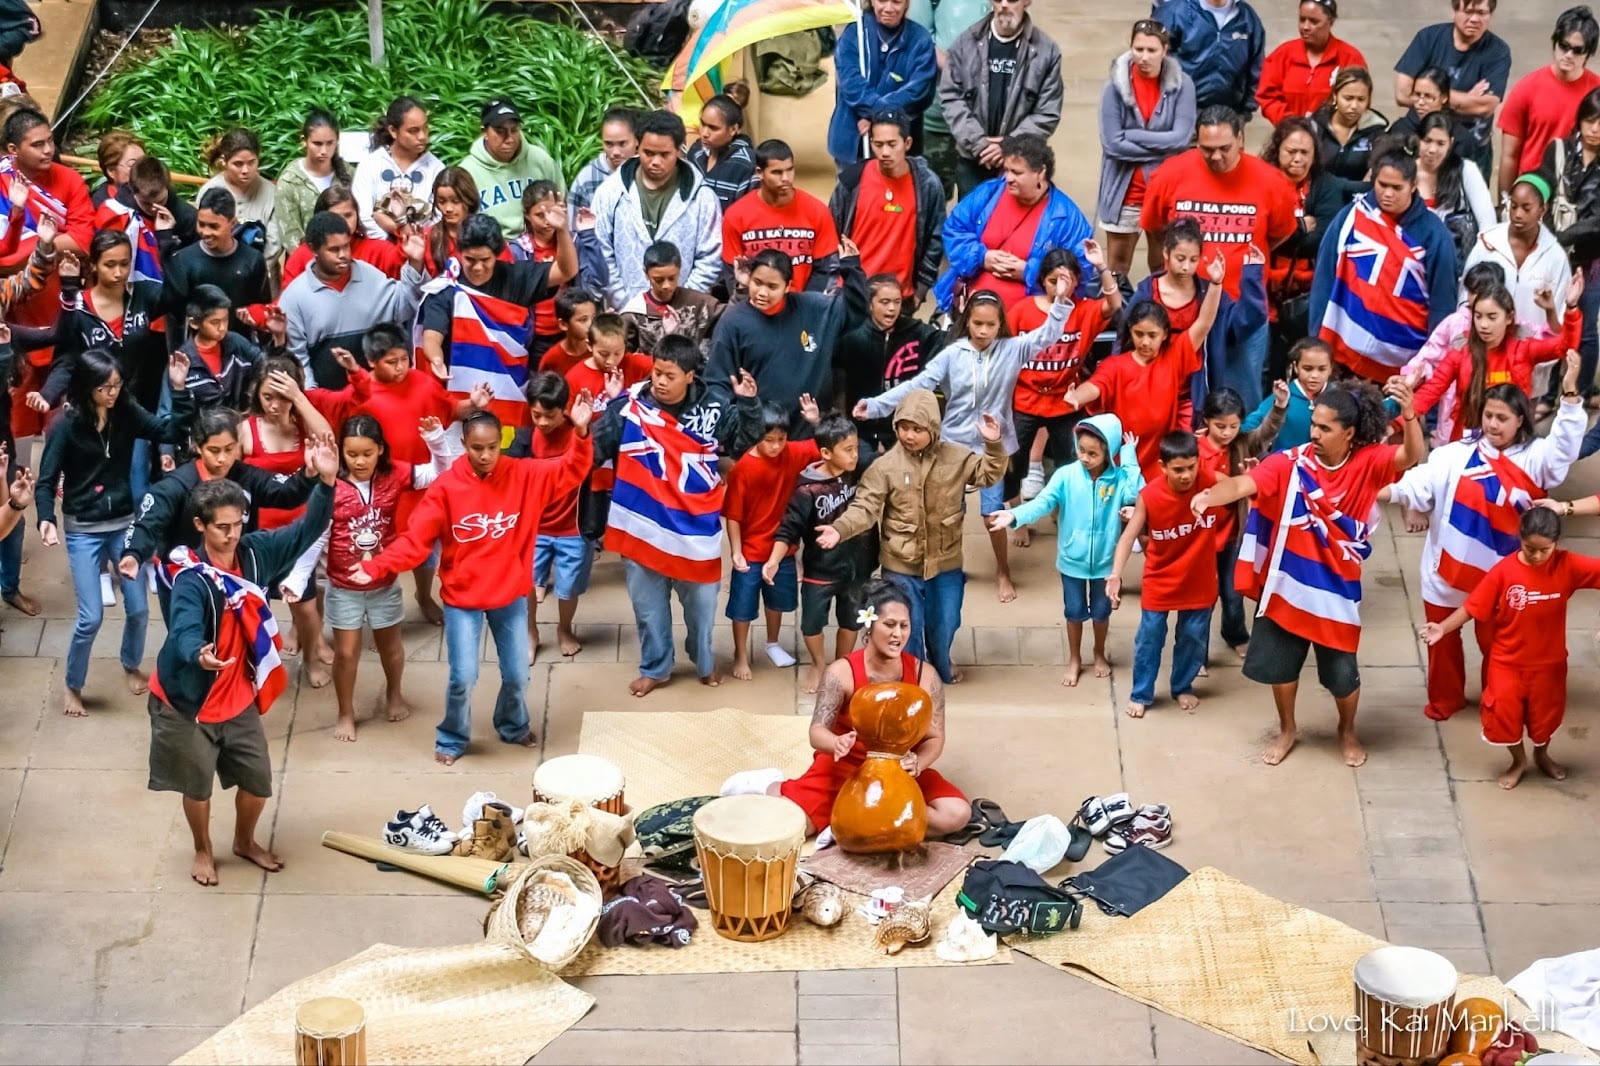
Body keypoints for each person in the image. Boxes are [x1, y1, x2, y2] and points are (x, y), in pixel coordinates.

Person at [1190, 380, 1425, 768]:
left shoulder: (1369, 462)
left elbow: (1409, 456)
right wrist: (1209, 495)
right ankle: (1287, 730)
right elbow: (1245, 483)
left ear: (1349, 433)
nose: (1313, 433)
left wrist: (1412, 414)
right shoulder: (1290, 462)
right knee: (1282, 668)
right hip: (1288, 585)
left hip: (1336, 591)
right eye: (1314, 424)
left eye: (1325, 428)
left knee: (1343, 676)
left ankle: (1346, 731)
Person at [348, 406, 593, 763]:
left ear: (501, 443)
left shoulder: (523, 474)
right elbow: (415, 539)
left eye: (493, 447)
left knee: (517, 675)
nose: (486, 455)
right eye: (477, 448)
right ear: (463, 444)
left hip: (509, 596)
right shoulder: (446, 488)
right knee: (462, 677)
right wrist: (378, 566)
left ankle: (513, 725)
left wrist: (582, 434)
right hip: (462, 599)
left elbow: (572, 469)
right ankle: (451, 739)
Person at [146, 437, 337, 886]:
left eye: (238, 524)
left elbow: (306, 530)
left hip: (237, 697)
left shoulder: (255, 553)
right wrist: (199, 653)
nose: (232, 535)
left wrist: (326, 483)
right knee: (197, 787)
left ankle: (244, 841)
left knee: (258, 781)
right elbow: (183, 630)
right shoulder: (191, 578)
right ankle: (202, 849)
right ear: (200, 526)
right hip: (187, 701)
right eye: (222, 528)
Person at [858, 272, 1072, 602]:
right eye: (977, 324)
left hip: (992, 447)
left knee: (991, 514)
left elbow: (1047, 335)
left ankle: (1003, 570)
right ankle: (948, 567)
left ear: (1000, 324)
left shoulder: (1012, 349)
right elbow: (918, 385)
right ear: (967, 322)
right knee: (946, 511)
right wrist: (874, 406)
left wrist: (1060, 302)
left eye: (990, 325)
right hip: (952, 446)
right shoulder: (953, 354)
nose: (983, 331)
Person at [1389, 368, 1584, 724]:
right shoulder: (1453, 455)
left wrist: (1569, 396)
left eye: (1502, 418)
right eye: (1488, 416)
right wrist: (1377, 489)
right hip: (1445, 571)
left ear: (1520, 420)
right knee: (1442, 642)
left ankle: (1498, 701)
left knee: (1499, 647)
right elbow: (1417, 483)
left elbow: (1564, 451)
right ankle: (1444, 700)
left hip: (1503, 576)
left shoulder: (1537, 458)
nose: (1493, 424)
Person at [589, 335, 765, 696]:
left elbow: (744, 444)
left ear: (690, 375)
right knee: (649, 613)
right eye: (656, 373)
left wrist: (748, 405)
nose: (660, 382)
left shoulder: (715, 405)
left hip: (695, 534)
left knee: (702, 610)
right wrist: (591, 419)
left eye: (670, 375)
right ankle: (656, 667)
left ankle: (703, 661)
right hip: (644, 529)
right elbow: (594, 449)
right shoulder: (628, 407)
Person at [37, 347, 194, 717]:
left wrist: (180, 389)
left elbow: (168, 428)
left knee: (139, 609)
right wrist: (46, 518)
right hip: (83, 529)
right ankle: (73, 686)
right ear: (87, 388)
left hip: (123, 522)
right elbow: (45, 481)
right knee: (90, 617)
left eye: (117, 385)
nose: (113, 393)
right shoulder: (66, 424)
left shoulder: (126, 411)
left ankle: (130, 663)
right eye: (106, 387)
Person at [748, 578, 970, 840]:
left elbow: (935, 736)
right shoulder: (841, 673)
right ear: (869, 624)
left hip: (898, 773)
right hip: (845, 769)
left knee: (955, 814)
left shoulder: (926, 675)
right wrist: (836, 743)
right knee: (790, 827)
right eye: (889, 625)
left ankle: (859, 821)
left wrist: (918, 763)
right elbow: (817, 732)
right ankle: (769, 786)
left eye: (904, 625)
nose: (898, 634)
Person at [818, 392, 1008, 684]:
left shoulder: (956, 458)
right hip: (901, 565)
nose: (909, 435)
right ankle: (914, 679)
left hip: (945, 563)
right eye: (904, 427)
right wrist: (840, 528)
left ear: (933, 428)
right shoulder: (884, 468)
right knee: (907, 627)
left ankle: (941, 664)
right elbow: (865, 507)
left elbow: (989, 475)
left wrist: (993, 444)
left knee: (946, 622)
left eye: (917, 429)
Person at [1421, 506, 1600, 789]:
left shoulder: (1569, 566)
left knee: (1546, 718)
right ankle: (1518, 761)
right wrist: (1443, 628)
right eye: (1531, 548)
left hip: (1550, 665)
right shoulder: (1503, 572)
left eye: (1545, 550)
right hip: (1507, 664)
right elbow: (1471, 606)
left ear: (1557, 543)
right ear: (1520, 538)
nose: (1538, 556)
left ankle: (1542, 755)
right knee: (1503, 717)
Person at [1140, 106, 1298, 406]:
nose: (1215, 157)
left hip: (1242, 307)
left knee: (1241, 398)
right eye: (1207, 149)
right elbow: (1155, 230)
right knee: (1177, 396)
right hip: (1182, 307)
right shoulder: (1170, 175)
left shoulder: (1271, 182)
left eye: (1224, 149)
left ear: (1241, 139)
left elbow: (1279, 233)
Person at [323, 413, 460, 741]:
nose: (359, 461)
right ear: (341, 451)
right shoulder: (330, 483)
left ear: (381, 450)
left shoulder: (397, 473)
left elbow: (442, 472)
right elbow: (316, 533)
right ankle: (345, 712)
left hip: (384, 579)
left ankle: (394, 693)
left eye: (367, 454)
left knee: (392, 647)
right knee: (346, 652)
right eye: (351, 454)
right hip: (343, 583)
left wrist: (436, 441)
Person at [119, 408, 319, 623]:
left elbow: (286, 492)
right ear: (198, 446)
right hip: (189, 581)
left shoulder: (247, 476)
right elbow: (148, 522)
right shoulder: (175, 486)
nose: (222, 459)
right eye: (214, 450)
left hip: (239, 577)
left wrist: (309, 472)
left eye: (229, 449)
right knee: (192, 646)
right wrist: (134, 554)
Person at [991, 413, 1142, 686]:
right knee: (1073, 612)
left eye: (1093, 453)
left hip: (1106, 563)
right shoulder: (1066, 476)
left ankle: (1098, 653)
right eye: (1081, 450)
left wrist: (1129, 458)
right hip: (1072, 560)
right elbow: (1043, 502)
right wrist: (1015, 516)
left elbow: (1135, 493)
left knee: (1101, 613)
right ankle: (1074, 658)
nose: (1085, 457)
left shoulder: (1120, 478)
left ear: (1110, 451)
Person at [1310, 149, 1459, 383]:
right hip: (1343, 354)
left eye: (1396, 188)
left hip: (1402, 365)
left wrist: (1430, 367)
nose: (1387, 194)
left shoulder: (1435, 235)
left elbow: (1442, 307)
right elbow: (1324, 277)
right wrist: (1316, 341)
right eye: (1382, 185)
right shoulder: (1351, 216)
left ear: (1413, 185)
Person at [1074, 257, 1229, 478]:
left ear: (1165, 334)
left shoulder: (1175, 355)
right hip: (1122, 461)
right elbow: (1096, 386)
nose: (1145, 342)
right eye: (1139, 334)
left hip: (1159, 461)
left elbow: (1203, 324)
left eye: (1152, 335)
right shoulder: (1116, 365)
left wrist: (1215, 284)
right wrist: (1076, 397)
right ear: (1131, 332)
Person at [416, 213, 576, 423]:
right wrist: (436, 359)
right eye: (470, 260)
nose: (478, 267)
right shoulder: (447, 287)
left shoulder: (516, 277)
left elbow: (566, 270)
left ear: (497, 255)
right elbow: (432, 336)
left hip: (512, 388)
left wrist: (562, 230)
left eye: (485, 260)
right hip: (460, 397)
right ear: (459, 253)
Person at [239, 357, 336, 683]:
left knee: (306, 608)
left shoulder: (303, 425)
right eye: (268, 396)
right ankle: (252, 664)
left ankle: (311, 658)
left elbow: (328, 438)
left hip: (300, 535)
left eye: (282, 397)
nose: (274, 405)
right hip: (259, 536)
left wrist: (298, 397)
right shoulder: (247, 429)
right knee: (252, 606)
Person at [1107, 431, 1216, 717]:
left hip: (1199, 578)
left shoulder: (1212, 484)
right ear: (1163, 466)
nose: (1186, 475)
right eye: (1178, 469)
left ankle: (1182, 686)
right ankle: (1141, 693)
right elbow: (1129, 536)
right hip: (1160, 579)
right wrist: (1115, 575)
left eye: (1191, 467)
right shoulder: (1150, 496)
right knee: (1149, 638)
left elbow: (1245, 488)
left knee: (1193, 637)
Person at [706, 245, 864, 437]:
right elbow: (716, 384)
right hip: (757, 441)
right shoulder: (732, 322)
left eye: (772, 287)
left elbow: (855, 310)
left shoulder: (814, 308)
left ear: (788, 286)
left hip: (808, 435)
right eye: (757, 282)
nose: (762, 292)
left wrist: (851, 267)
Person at [769, 412, 876, 694]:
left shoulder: (860, 469)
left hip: (859, 566)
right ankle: (819, 664)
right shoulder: (807, 489)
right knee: (812, 623)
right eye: (848, 450)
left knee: (852, 619)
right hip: (821, 570)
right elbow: (787, 529)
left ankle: (842, 666)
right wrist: (774, 560)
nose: (855, 455)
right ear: (827, 453)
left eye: (856, 447)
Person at [1007, 247, 1122, 503]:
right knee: (1011, 462)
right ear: (1042, 280)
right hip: (1025, 400)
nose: (1060, 288)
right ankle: (1016, 515)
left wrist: (1102, 266)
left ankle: (1063, 510)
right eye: (1053, 281)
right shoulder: (1022, 311)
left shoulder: (1084, 310)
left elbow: (1114, 304)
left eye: (1067, 281)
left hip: (1065, 401)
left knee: (1072, 463)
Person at [933, 133, 1093, 313]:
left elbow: (1080, 271)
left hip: (1031, 322)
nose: (1008, 178)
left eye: (1017, 172)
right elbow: (953, 229)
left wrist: (1030, 272)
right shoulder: (989, 193)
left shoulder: (1067, 217)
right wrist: (982, 257)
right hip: (973, 312)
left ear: (1041, 173)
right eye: (1006, 170)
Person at [1123, 221, 1265, 418]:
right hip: (1147, 387)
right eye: (1180, 258)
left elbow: (1244, 323)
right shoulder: (1147, 291)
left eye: (1193, 260)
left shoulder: (1210, 293)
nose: (1185, 267)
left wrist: (1252, 276)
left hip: (1193, 392)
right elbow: (1123, 341)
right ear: (1166, 253)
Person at [1260, 117, 1366, 377]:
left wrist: (1280, 234)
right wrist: (1298, 226)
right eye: (1291, 151)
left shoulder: (1325, 184)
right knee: (1266, 368)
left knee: (1306, 368)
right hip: (1263, 293)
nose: (1298, 159)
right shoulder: (1261, 179)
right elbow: (1258, 233)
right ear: (1277, 150)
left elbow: (1318, 241)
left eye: (1304, 152)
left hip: (1306, 296)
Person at [726, 399, 822, 679]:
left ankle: (772, 643)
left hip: (783, 548)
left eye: (781, 439)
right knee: (742, 607)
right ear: (758, 437)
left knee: (778, 602)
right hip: (751, 549)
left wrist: (815, 421)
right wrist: (736, 551)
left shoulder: (792, 452)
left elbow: (823, 445)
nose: (776, 446)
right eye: (769, 440)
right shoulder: (743, 468)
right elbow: (733, 515)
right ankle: (741, 654)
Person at [592, 109, 723, 311]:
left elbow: (710, 258)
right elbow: (600, 251)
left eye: (664, 155)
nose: (655, 162)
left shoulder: (703, 198)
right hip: (624, 314)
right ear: (637, 145)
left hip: (683, 317)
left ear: (679, 150)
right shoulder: (610, 192)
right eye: (648, 153)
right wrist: (627, 304)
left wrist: (683, 304)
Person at [279, 212, 427, 390]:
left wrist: (415, 263)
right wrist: (315, 402)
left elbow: (404, 306)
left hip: (376, 395)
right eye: (334, 250)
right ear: (313, 250)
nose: (343, 255)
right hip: (328, 402)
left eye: (346, 246)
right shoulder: (294, 297)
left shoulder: (369, 275)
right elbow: (298, 360)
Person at [1096, 18, 1197, 278]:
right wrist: (1163, 147)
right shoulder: (1114, 87)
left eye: (1151, 50)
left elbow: (1182, 138)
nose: (1144, 57)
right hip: (1124, 192)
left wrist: (1133, 135)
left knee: (1163, 266)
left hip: (1164, 191)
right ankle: (1116, 318)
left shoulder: (1183, 85)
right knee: (1116, 268)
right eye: (1138, 49)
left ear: (1165, 50)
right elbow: (1112, 144)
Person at [1411, 284, 1578, 439]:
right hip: (1468, 440)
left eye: (1492, 317)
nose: (1483, 325)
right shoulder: (1460, 353)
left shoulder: (1524, 349)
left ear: (1509, 317)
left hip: (1512, 442)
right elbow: (1431, 390)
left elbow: (1565, 347)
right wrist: (1399, 418)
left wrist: (1571, 308)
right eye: (1478, 316)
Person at [508, 372, 595, 659]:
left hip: (573, 528)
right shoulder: (524, 440)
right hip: (534, 528)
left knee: (569, 589)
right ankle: (530, 633)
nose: (542, 422)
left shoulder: (579, 433)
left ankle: (564, 628)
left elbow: (594, 459)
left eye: (550, 415)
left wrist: (582, 430)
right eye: (536, 415)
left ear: (564, 409)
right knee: (526, 585)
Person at [939, 0, 1064, 196]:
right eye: (998, 0)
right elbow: (951, 98)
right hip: (973, 160)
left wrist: (1009, 145)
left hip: (1022, 164)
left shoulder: (1047, 52)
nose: (1004, 5)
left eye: (1012, 0)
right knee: (975, 224)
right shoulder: (965, 44)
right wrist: (980, 143)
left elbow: (1047, 113)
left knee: (1017, 224)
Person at [1197, 384, 1286, 658]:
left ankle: (1235, 634)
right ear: (1206, 422)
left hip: (1234, 535)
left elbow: (1265, 432)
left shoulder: (1242, 443)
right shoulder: (1192, 450)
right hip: (1202, 539)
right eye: (1220, 426)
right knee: (1202, 599)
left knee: (1233, 593)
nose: (1227, 433)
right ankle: (1196, 653)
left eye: (1233, 426)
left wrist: (1279, 406)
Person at [1462, 176, 1575, 388]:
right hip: (1483, 354)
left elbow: (1559, 319)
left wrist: (1542, 356)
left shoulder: (1555, 256)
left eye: (1526, 208)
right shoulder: (1488, 244)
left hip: (1527, 359)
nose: (1517, 214)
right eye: (1513, 206)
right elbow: (1465, 296)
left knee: (1521, 414)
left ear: (1543, 209)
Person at [830, 109, 947, 305]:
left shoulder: (927, 185)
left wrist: (920, 290)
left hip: (900, 299)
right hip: (853, 294)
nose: (885, 152)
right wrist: (834, 282)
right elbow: (830, 231)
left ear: (907, 143)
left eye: (892, 144)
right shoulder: (852, 180)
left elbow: (935, 239)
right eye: (878, 144)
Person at [1394, 0, 1511, 180]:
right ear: (1455, 11)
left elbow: (1485, 107)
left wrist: (1432, 96)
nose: (1474, 19)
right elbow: (1402, 93)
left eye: (1481, 13)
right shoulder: (1428, 38)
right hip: (1426, 145)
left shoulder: (1498, 52)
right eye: (1468, 12)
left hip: (1474, 148)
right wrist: (1465, 100)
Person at [835, 273, 945, 465]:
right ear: (870, 304)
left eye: (897, 302)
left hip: (905, 430)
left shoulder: (918, 333)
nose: (892, 308)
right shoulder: (853, 339)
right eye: (884, 302)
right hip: (862, 431)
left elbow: (949, 341)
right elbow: (841, 389)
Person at [1497, 7, 1600, 200]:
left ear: (1588, 53)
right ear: (1555, 42)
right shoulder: (1527, 88)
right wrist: (1505, 202)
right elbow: (1509, 156)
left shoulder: (1596, 92)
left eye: (1577, 50)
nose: (1568, 54)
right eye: (1563, 45)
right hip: (1533, 191)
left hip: (1582, 193)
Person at [1540, 86, 1600, 400]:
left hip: (1591, 260)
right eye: (1591, 119)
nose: (1595, 128)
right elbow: (1543, 189)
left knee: (1586, 330)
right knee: (1551, 323)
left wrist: (1562, 238)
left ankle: (1581, 391)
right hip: (1553, 253)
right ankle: (1547, 394)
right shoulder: (1559, 150)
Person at [828, 0, 937, 169]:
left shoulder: (920, 40)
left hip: (902, 150)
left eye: (896, 2)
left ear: (907, 3)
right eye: (882, 0)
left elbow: (918, 91)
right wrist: (881, 113)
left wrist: (878, 118)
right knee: (854, 195)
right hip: (854, 143)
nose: (888, 8)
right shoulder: (854, 33)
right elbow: (851, 84)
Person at [722, 140, 840, 292]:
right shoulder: (736, 215)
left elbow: (825, 269)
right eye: (777, 172)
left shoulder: (818, 211)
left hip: (804, 306)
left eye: (790, 170)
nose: (786, 178)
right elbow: (733, 271)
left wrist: (806, 306)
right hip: (756, 305)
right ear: (759, 173)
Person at [162, 187, 271, 343]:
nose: (205, 232)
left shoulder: (253, 260)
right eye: (201, 224)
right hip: (198, 353)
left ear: (232, 223)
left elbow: (261, 310)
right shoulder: (184, 260)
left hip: (240, 351)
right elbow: (174, 318)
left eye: (214, 226)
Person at [459, 98, 564, 238]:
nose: (509, 139)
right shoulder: (467, 172)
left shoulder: (540, 160)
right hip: (493, 250)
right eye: (500, 132)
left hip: (543, 244)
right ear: (484, 132)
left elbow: (563, 205)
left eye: (514, 130)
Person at [171, 285, 286, 412]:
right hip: (205, 430)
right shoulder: (182, 363)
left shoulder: (237, 344)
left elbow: (268, 367)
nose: (222, 327)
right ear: (194, 323)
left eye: (225, 320)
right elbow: (169, 415)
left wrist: (278, 336)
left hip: (241, 425)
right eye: (215, 322)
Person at [1256, 0, 1367, 126]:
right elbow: (1267, 96)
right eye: (1302, 19)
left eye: (1314, 21)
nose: (1305, 27)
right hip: (1289, 135)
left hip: (1334, 138)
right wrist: (1291, 124)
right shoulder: (1282, 55)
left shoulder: (1350, 59)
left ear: (1331, 21)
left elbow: (1359, 101)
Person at [1150, 0, 1266, 117]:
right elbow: (1153, 60)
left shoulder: (1247, 18)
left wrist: (1246, 110)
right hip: (1181, 111)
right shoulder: (1174, 13)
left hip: (1229, 113)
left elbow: (1257, 67)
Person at [96, 155, 200, 284]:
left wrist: (166, 236)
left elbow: (188, 270)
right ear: (133, 192)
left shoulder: (187, 218)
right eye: (146, 204)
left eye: (160, 202)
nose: (153, 209)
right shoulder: (115, 211)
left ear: (167, 187)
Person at [352, 96, 445, 239]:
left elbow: (439, 218)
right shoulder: (371, 165)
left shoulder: (436, 168)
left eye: (425, 128)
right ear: (393, 131)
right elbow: (363, 215)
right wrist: (389, 243)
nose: (422, 136)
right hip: (379, 252)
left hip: (423, 249)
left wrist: (414, 240)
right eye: (413, 131)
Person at [1413, 111, 1496, 265]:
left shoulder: (1466, 171)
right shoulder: (1406, 172)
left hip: (1459, 266)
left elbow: (1488, 226)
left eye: (1440, 143)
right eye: (1427, 141)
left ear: (1450, 143)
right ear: (1418, 140)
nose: (1432, 149)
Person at [619, 241, 724, 356]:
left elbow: (733, 316)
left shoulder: (698, 303)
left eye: (672, 278)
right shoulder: (634, 313)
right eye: (658, 280)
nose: (666, 286)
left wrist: (741, 288)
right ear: (646, 274)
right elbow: (624, 356)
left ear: (679, 271)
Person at [275, 111, 351, 261]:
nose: (324, 151)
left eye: (330, 143)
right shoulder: (290, 181)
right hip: (306, 264)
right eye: (317, 144)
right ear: (304, 141)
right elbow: (290, 235)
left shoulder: (350, 175)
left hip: (347, 258)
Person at [194, 128, 277, 263]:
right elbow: (203, 235)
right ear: (225, 161)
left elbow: (274, 244)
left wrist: (254, 270)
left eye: (251, 162)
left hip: (262, 273)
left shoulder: (271, 193)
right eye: (238, 164)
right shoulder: (209, 190)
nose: (245, 170)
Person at [1244, 336, 1332, 453]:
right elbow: (1251, 424)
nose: (1314, 375)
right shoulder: (1282, 397)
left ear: (1331, 368)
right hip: (1285, 466)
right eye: (1308, 369)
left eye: (1321, 369)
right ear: (1295, 367)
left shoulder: (1337, 397)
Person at [514, 181, 569, 358]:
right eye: (540, 215)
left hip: (569, 331)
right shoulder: (519, 250)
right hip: (534, 337)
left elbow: (593, 281)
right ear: (527, 215)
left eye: (552, 213)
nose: (548, 221)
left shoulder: (573, 242)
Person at [1313, 67, 1386, 183]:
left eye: (1361, 99)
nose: (1354, 106)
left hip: (1359, 196)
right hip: (1318, 197)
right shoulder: (1314, 127)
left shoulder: (1377, 133)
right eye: (1348, 98)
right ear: (1335, 96)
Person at [685, 95, 759, 210]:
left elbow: (749, 214)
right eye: (703, 124)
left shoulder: (745, 164)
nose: (704, 133)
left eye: (713, 128)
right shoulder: (695, 153)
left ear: (733, 130)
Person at [569, 107, 638, 219]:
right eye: (609, 144)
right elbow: (574, 231)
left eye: (622, 144)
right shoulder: (586, 179)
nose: (615, 152)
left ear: (636, 140)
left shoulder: (648, 173)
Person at [421, 167, 487, 277]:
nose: (448, 208)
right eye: (442, 201)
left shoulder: (488, 234)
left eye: (455, 201)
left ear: (469, 199)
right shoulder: (428, 237)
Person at [1384, 65, 1452, 146]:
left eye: (1428, 96)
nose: (1421, 102)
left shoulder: (1458, 134)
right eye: (1417, 94)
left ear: (1444, 97)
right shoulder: (1399, 130)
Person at [539, 288, 600, 376]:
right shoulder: (552, 359)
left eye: (593, 318)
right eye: (583, 320)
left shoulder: (601, 350)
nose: (591, 325)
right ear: (563, 324)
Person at [89, 129, 145, 208]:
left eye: (145, 162)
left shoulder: (159, 190)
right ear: (111, 171)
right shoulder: (101, 204)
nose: (143, 169)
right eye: (133, 164)